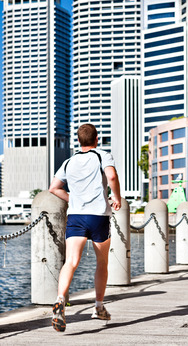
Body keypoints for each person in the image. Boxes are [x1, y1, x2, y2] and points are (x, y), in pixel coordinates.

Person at [49, 123, 122, 332]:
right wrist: (116, 197)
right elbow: (112, 177)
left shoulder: (69, 161)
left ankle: (60, 300)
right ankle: (98, 306)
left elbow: (54, 188)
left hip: (76, 217)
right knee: (102, 262)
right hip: (98, 216)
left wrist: (71, 198)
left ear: (79, 141)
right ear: (96, 139)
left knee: (71, 261)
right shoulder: (102, 155)